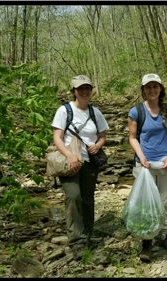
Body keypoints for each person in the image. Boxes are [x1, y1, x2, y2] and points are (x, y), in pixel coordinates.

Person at [51, 75, 109, 247]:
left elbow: (102, 136)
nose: (84, 92)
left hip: (89, 162)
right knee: (73, 196)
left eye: (87, 88)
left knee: (87, 198)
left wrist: (98, 145)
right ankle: (76, 238)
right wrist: (69, 155)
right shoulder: (64, 111)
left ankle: (88, 233)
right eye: (80, 89)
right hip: (70, 162)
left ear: (91, 90)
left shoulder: (95, 112)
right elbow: (57, 137)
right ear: (74, 91)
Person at [128, 73, 167, 262]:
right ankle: (147, 239)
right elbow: (132, 138)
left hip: (165, 162)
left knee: (166, 201)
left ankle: (166, 235)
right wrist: (141, 158)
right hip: (145, 164)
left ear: (160, 89)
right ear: (143, 90)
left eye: (155, 86)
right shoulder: (136, 112)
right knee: (146, 202)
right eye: (148, 87)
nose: (152, 90)